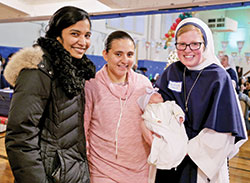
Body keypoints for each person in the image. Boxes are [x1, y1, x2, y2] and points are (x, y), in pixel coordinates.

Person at [4, 6, 95, 183]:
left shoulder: (73, 71)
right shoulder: (39, 70)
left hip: (70, 172)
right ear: (57, 34)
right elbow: (20, 136)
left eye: (87, 35)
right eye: (75, 34)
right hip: (48, 175)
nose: (83, 42)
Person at [152, 17, 247, 183]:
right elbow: (157, 105)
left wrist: (187, 149)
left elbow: (223, 130)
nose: (188, 50)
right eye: (182, 44)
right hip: (169, 152)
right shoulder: (173, 70)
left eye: (195, 44)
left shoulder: (218, 77)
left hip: (200, 157)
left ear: (206, 44)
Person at [84, 30, 152, 183]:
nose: (124, 60)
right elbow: (83, 127)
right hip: (102, 169)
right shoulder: (92, 85)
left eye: (129, 54)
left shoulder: (144, 84)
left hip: (140, 170)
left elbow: (151, 122)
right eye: (118, 54)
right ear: (105, 54)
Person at [137, 88, 187, 183]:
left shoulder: (168, 104)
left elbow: (176, 109)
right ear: (149, 101)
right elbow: (148, 118)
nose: (159, 94)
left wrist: (179, 116)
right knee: (152, 127)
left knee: (175, 134)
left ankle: (175, 150)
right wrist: (156, 122)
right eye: (154, 94)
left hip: (171, 128)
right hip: (159, 127)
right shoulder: (149, 109)